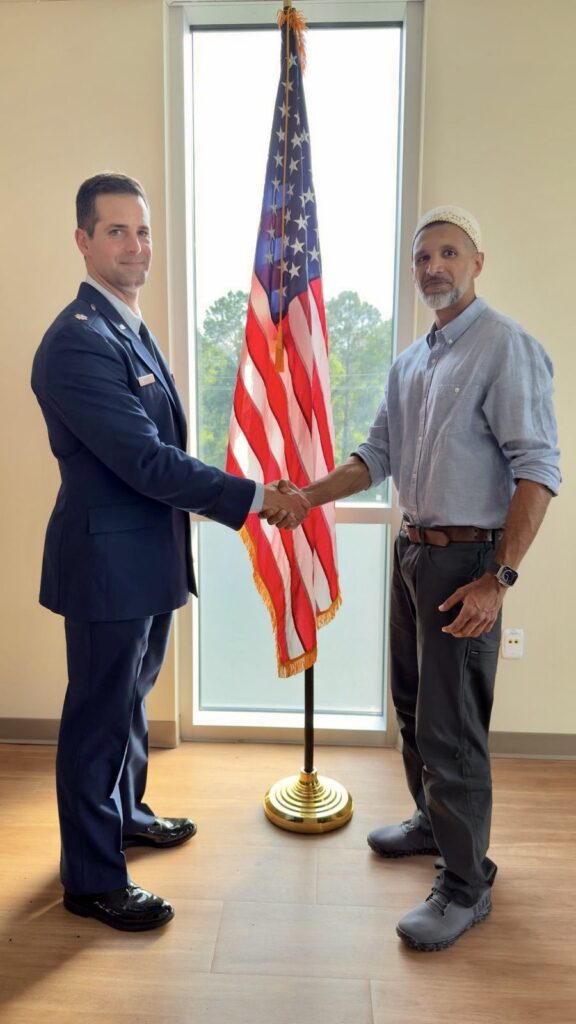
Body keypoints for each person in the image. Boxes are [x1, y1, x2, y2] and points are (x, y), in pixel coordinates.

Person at [267, 205, 561, 951]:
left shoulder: (505, 348)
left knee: (451, 729)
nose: (433, 267)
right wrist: (304, 497)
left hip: (469, 564)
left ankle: (466, 886)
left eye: (448, 253)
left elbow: (539, 469)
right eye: (422, 257)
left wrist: (499, 578)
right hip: (415, 558)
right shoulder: (412, 361)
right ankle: (433, 824)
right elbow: (374, 457)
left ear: (477, 262)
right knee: (412, 703)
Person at [31, 173, 308, 932]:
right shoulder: (76, 342)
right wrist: (255, 498)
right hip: (106, 568)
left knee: (129, 704)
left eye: (143, 231)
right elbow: (147, 462)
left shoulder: (126, 325)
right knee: (96, 718)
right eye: (116, 231)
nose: (134, 245)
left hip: (147, 561)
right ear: (83, 240)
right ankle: (91, 881)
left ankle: (124, 816)